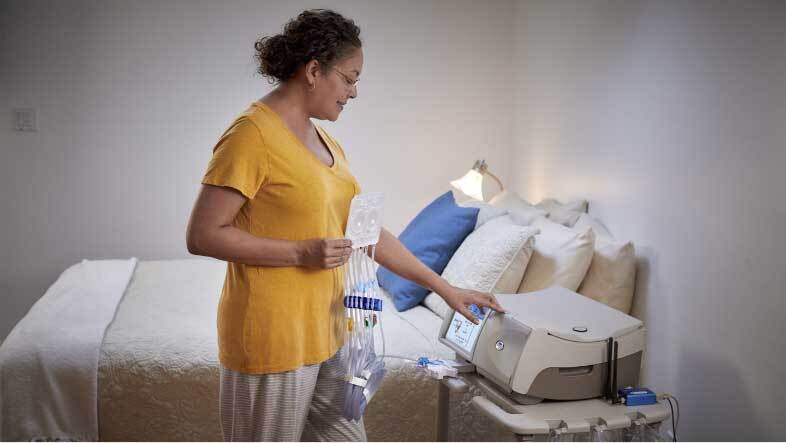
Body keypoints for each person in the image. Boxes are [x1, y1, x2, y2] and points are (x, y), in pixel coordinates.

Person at [185, 9, 504, 442]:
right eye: (350, 78)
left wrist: (445, 288)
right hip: (274, 338)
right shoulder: (251, 136)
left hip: (332, 335)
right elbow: (203, 235)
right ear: (314, 70)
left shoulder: (323, 140)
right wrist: (301, 252)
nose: (354, 92)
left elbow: (365, 234)